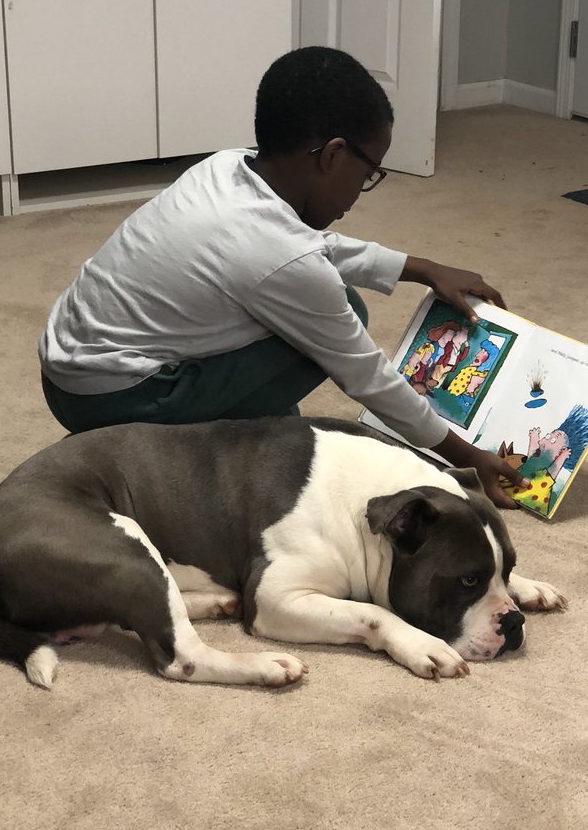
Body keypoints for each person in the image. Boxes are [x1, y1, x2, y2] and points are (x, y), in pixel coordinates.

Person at [39, 46, 526, 507]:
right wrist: (467, 458)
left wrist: (420, 268)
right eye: (368, 173)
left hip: (66, 370)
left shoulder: (227, 166)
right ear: (333, 155)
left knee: (323, 305)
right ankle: (183, 453)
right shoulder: (278, 257)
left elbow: (300, 251)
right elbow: (365, 374)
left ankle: (218, 421)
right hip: (117, 398)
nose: (361, 191)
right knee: (340, 315)